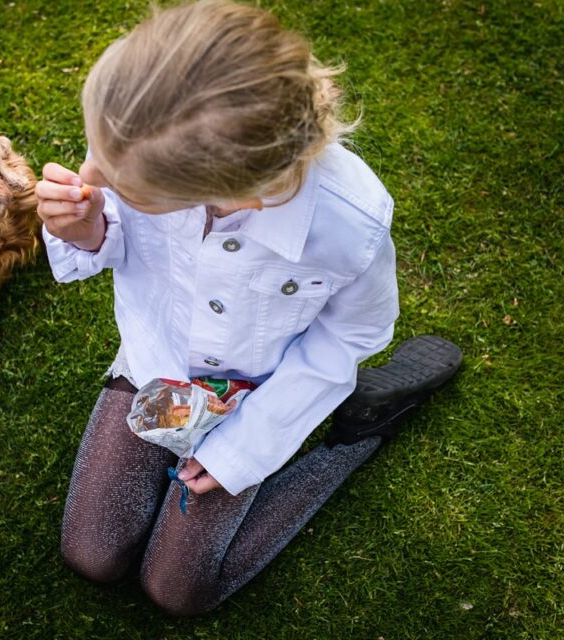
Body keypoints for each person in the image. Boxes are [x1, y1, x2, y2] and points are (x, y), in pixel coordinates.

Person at [35, 0, 461, 615]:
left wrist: (247, 448)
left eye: (121, 186)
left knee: (177, 591)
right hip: (155, 371)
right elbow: (119, 241)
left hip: (254, 401)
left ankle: (358, 433)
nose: (92, 173)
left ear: (236, 193)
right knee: (92, 555)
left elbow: (353, 334)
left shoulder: (348, 225)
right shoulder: (146, 138)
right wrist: (88, 227)